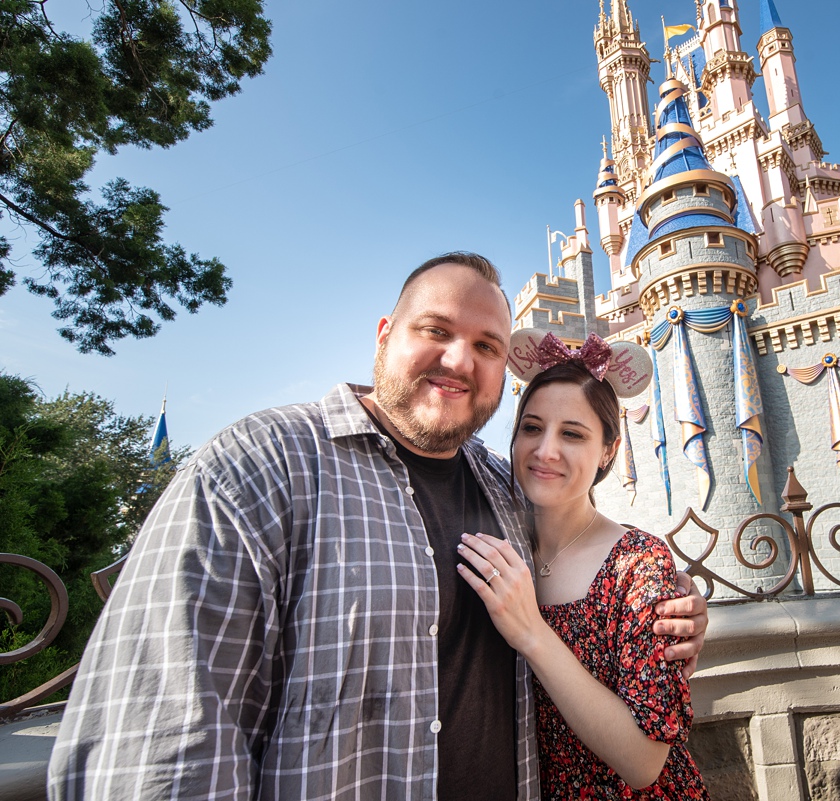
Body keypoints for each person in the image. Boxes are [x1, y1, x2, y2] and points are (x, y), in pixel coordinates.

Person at [48, 253, 707, 800]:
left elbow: (592, 579)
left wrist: (671, 608)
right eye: (436, 330)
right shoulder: (260, 465)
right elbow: (157, 744)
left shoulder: (502, 489)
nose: (458, 359)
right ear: (384, 333)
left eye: (486, 346)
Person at [458, 333, 708, 798]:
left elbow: (643, 762)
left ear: (608, 451)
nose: (545, 450)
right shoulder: (503, 543)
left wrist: (532, 632)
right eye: (531, 428)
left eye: (572, 433)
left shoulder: (636, 564)